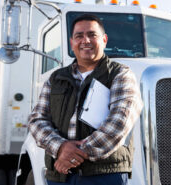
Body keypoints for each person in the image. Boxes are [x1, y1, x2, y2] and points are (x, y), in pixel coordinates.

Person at [28, 14, 143, 185]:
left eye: (92, 35)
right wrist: (60, 148)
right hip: (60, 175)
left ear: (104, 40)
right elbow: (37, 120)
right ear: (71, 42)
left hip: (104, 175)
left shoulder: (121, 74)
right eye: (79, 36)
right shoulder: (55, 78)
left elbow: (120, 122)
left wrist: (72, 156)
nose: (85, 40)